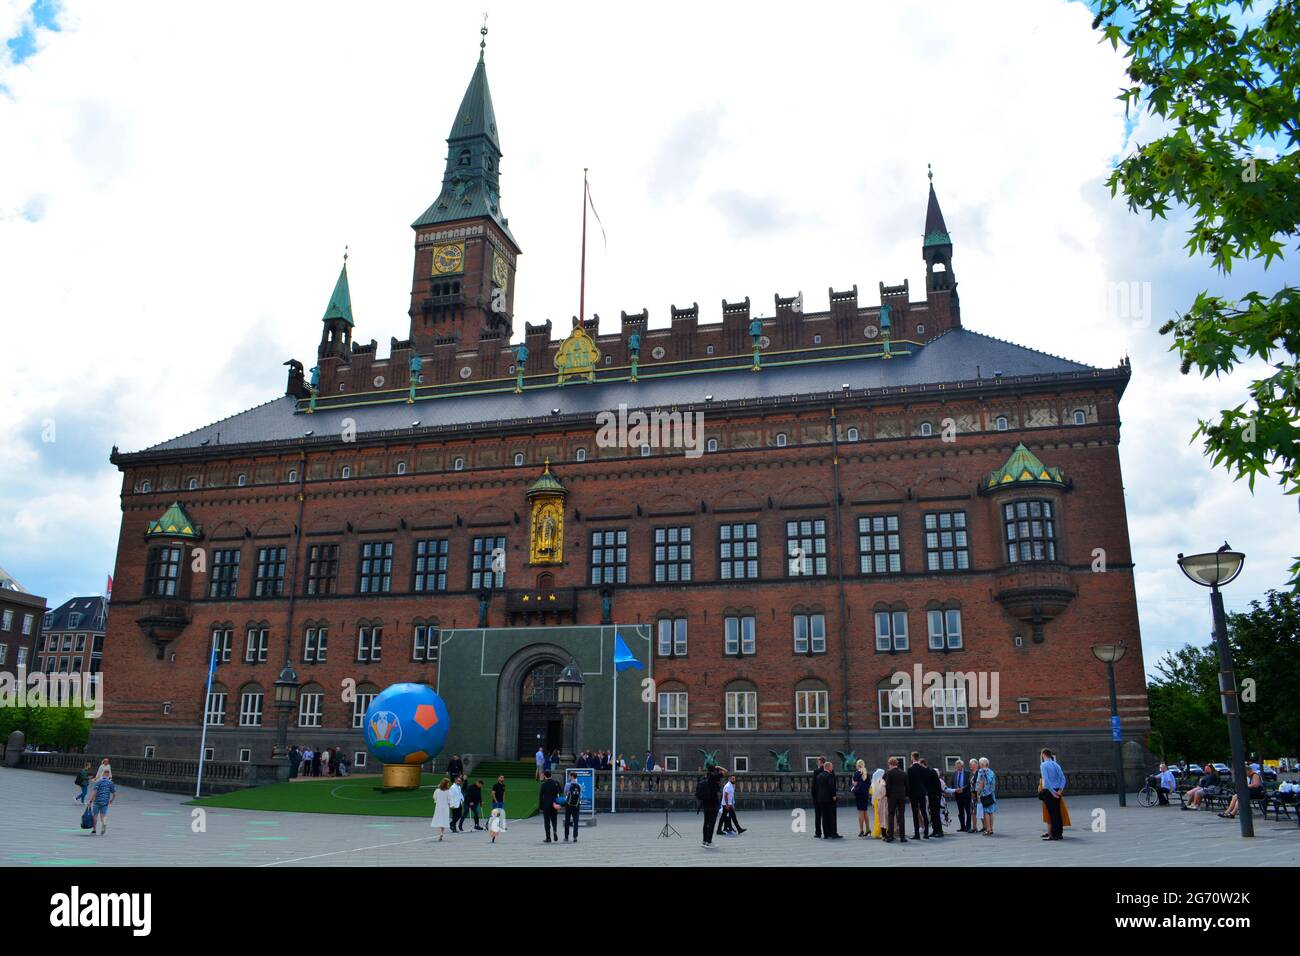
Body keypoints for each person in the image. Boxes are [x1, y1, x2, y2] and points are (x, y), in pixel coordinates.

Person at [1039, 748, 1066, 841]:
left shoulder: (1043, 765)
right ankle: (1059, 833)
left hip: (1049, 792)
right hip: (1057, 790)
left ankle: (1053, 835)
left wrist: (1053, 793)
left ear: (1043, 755)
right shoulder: (1056, 764)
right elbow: (1063, 778)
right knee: (1057, 813)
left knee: (1051, 814)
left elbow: (1046, 781)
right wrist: (1060, 790)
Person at [813, 757, 842, 838]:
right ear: (828, 767)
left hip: (820, 799)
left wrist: (816, 798)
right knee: (832, 816)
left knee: (824, 817)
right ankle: (833, 833)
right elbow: (832, 786)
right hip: (829, 799)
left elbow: (815, 788)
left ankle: (826, 834)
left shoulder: (818, 776)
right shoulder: (830, 775)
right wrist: (834, 796)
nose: (832, 768)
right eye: (831, 767)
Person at [883, 757, 909, 843]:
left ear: (890, 764)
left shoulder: (889, 773)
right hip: (901, 796)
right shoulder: (903, 773)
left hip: (892, 797)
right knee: (901, 816)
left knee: (891, 815)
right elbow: (907, 786)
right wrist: (905, 795)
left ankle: (890, 836)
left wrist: (887, 795)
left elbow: (887, 785)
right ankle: (902, 836)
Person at [906, 752, 931, 839]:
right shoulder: (923, 769)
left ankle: (917, 834)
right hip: (922, 793)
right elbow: (927, 781)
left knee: (915, 813)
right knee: (924, 812)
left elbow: (908, 784)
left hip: (913, 793)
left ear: (913, 757)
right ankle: (926, 833)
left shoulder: (910, 769)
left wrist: (907, 794)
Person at [699, 765, 723, 848]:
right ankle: (709, 842)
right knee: (712, 823)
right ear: (714, 770)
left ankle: (704, 841)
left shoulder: (703, 778)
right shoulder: (714, 777)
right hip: (713, 803)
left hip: (705, 803)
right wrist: (719, 767)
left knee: (706, 823)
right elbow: (726, 772)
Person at [89, 768, 116, 836]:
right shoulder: (110, 783)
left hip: (97, 801)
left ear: (103, 774)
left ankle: (94, 830)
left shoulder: (99, 782)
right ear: (108, 775)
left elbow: (94, 791)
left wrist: (90, 800)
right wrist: (111, 800)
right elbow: (114, 794)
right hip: (105, 801)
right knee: (103, 816)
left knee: (95, 815)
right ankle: (104, 823)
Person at [924, 759, 945, 838]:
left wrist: (937, 795)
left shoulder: (931, 772)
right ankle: (935, 830)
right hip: (931, 796)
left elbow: (937, 784)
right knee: (932, 814)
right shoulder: (929, 772)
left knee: (936, 814)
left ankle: (939, 831)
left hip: (935, 796)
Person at [539, 770, 561, 843]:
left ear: (545, 776)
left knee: (547, 822)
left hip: (546, 805)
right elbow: (560, 792)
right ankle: (555, 830)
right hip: (554, 804)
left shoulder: (544, 784)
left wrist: (541, 806)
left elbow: (541, 796)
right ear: (551, 775)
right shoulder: (556, 783)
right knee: (554, 820)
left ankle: (548, 837)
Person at [977, 757, 998, 835]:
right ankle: (991, 828)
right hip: (991, 794)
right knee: (991, 812)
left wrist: (978, 793)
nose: (979, 765)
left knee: (986, 812)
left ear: (983, 764)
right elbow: (994, 784)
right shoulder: (991, 772)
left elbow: (980, 783)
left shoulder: (981, 771)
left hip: (984, 794)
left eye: (980, 764)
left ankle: (988, 829)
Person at [950, 759, 972, 832]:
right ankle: (962, 827)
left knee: (968, 811)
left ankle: (968, 827)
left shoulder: (968, 773)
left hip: (966, 794)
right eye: (957, 766)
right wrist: (954, 790)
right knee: (960, 812)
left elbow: (969, 784)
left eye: (959, 766)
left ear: (962, 766)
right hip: (958, 795)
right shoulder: (954, 774)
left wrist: (963, 789)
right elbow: (952, 783)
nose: (958, 768)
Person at [852, 759, 872, 837]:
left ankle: (861, 830)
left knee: (860, 812)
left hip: (859, 794)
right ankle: (868, 829)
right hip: (865, 794)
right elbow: (869, 784)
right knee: (865, 812)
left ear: (857, 765)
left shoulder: (856, 774)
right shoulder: (866, 773)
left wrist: (853, 783)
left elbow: (854, 784)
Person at [810, 756, 827, 838]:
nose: (817, 763)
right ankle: (826, 832)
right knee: (825, 815)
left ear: (821, 763)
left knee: (818, 816)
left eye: (818, 762)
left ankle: (818, 833)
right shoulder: (828, 770)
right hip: (825, 797)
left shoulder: (816, 771)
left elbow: (813, 785)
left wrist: (813, 795)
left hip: (817, 797)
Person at [563, 771, 583, 842]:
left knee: (567, 821)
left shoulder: (567, 785)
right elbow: (580, 796)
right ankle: (575, 837)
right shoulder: (579, 785)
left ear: (572, 776)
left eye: (569, 776)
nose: (569, 777)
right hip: (576, 805)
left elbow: (565, 793)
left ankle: (566, 837)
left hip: (568, 805)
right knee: (576, 821)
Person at [870, 768, 886, 839]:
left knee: (877, 816)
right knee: (882, 816)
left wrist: (873, 802)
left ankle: (878, 831)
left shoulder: (874, 783)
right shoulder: (881, 782)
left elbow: (872, 794)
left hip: (876, 800)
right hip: (881, 800)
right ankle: (882, 831)